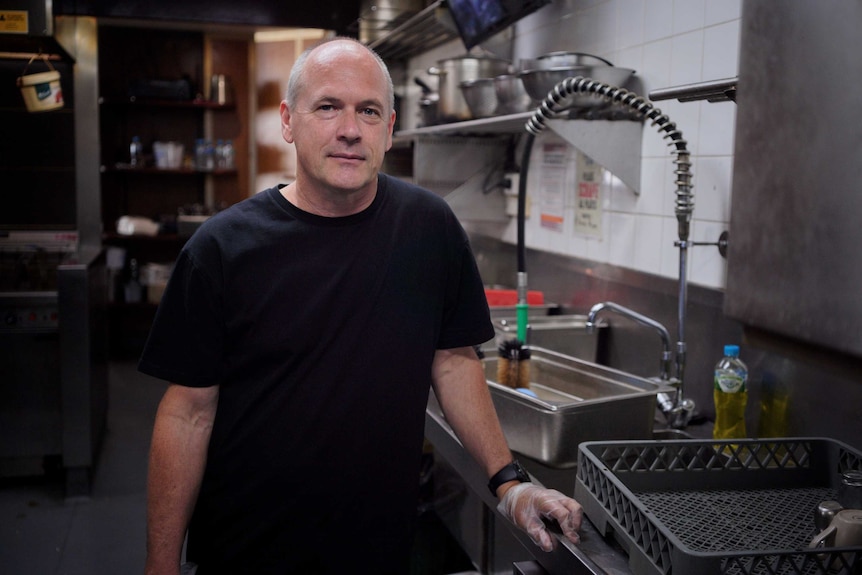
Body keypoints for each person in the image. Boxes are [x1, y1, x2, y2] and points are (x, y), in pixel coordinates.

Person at [141, 37, 582, 575]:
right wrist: (160, 565)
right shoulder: (222, 249)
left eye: (368, 111)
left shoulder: (430, 228)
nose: (350, 129)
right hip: (247, 547)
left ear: (390, 128)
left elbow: (453, 360)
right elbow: (187, 414)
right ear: (288, 120)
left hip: (377, 547)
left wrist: (509, 483)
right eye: (328, 106)